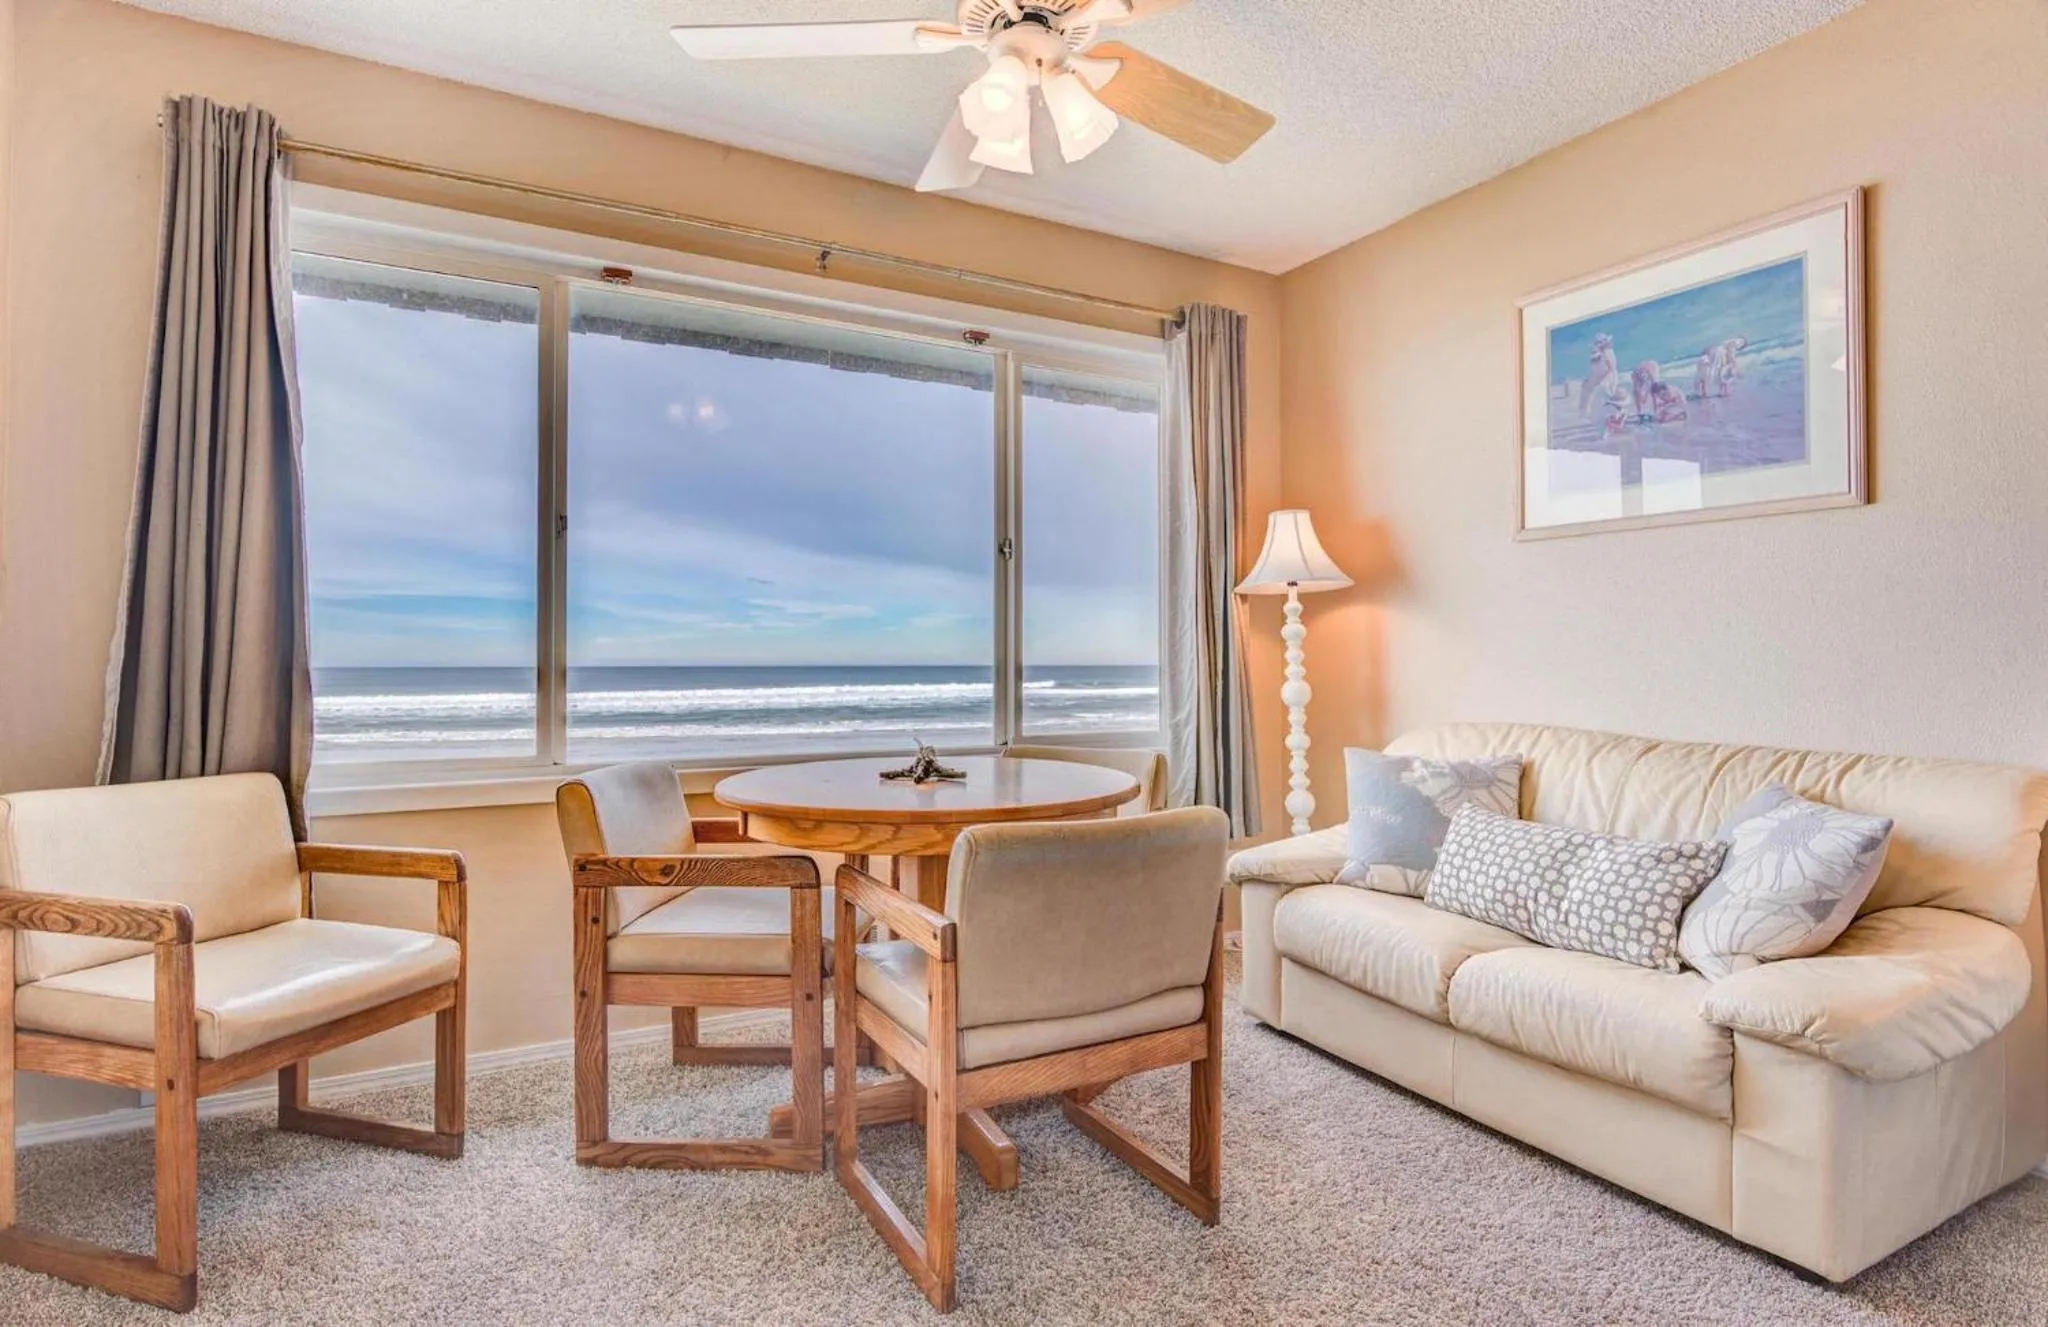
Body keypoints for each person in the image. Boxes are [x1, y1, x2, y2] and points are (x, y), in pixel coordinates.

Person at [1578, 332, 1618, 417]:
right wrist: (1590, 378)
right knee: (1585, 387)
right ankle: (1584, 411)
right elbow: (1595, 368)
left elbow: (1610, 369)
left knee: (1602, 391)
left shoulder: (1607, 353)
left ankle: (1603, 413)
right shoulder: (1597, 353)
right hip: (1598, 376)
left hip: (1608, 377)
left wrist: (1602, 380)